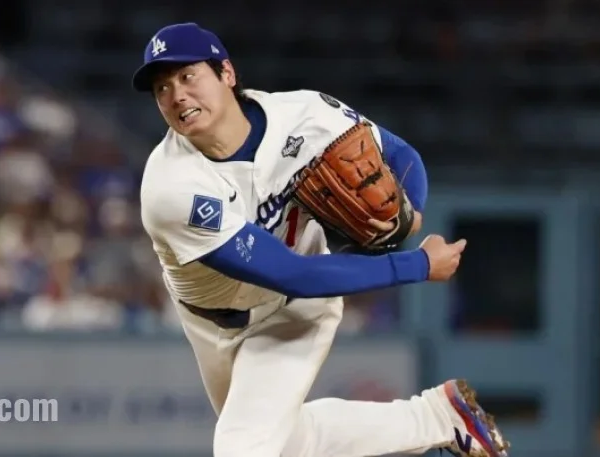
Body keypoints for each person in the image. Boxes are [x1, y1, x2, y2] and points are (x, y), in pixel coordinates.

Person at [135, 22, 509, 457]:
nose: (177, 95)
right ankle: (438, 418)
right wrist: (418, 265)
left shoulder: (305, 116)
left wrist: (411, 216)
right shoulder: (170, 188)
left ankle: (437, 419)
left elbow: (402, 155)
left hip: (292, 312)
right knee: (289, 443)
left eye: (188, 76)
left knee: (243, 447)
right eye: (162, 88)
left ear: (227, 74)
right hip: (210, 320)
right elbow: (294, 273)